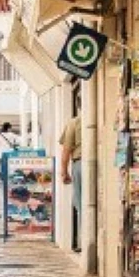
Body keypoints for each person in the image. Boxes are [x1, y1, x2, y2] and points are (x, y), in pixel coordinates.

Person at [59, 104, 82, 251]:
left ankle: (82, 241)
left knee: (80, 203)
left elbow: (66, 149)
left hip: (79, 163)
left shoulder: (74, 122)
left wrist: (64, 171)